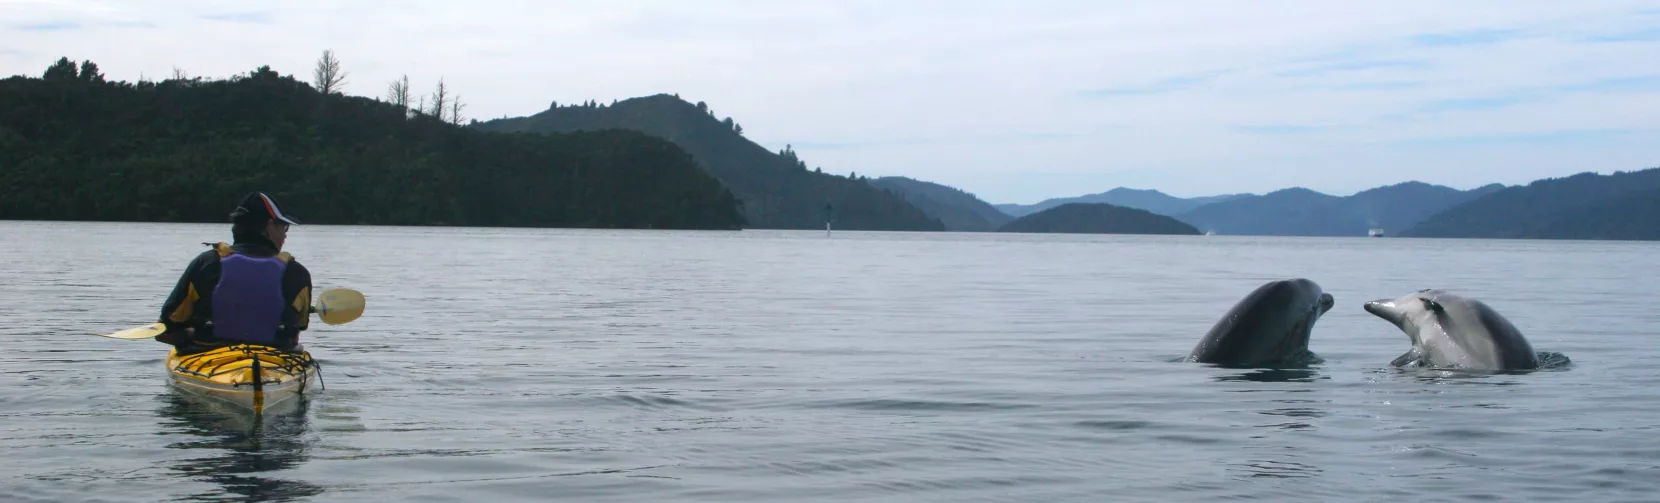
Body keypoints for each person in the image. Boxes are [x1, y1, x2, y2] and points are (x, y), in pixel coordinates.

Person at [156, 192, 313, 354]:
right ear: (269, 226)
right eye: (284, 227)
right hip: (275, 360)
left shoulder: (207, 263)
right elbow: (297, 330)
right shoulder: (296, 273)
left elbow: (164, 330)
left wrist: (190, 334)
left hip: (210, 358)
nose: (285, 235)